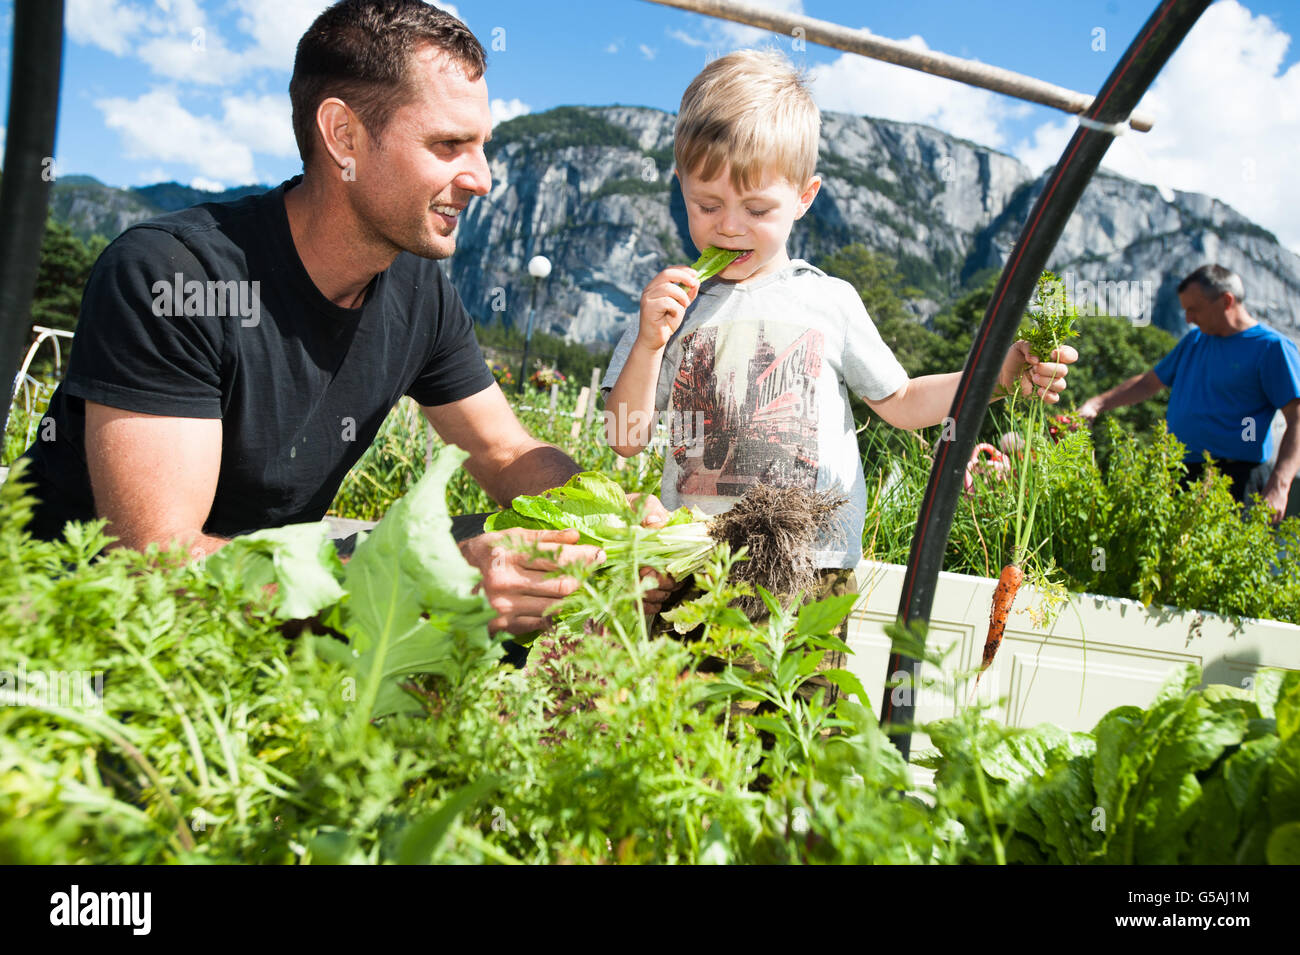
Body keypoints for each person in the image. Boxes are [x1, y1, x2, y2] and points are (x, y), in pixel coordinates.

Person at [18, 0, 670, 636]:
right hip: (89, 620)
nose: (483, 178)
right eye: (449, 145)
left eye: (483, 147)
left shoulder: (419, 292)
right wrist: (413, 579)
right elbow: (157, 569)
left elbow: (505, 451)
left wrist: (607, 510)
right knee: (444, 568)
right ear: (344, 136)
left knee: (516, 552)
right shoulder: (170, 276)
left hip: (285, 583)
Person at [601, 49, 1076, 657]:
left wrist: (999, 374)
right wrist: (647, 344)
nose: (730, 228)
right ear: (682, 190)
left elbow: (902, 402)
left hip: (810, 568)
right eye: (707, 205)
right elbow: (625, 436)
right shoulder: (670, 308)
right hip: (694, 562)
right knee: (686, 736)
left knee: (797, 731)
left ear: (804, 197)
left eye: (758, 209)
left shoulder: (830, 300)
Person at [1078, 264, 1300, 519]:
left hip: (1237, 480)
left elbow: (1297, 418)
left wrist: (1280, 486)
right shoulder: (1195, 341)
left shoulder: (1272, 347)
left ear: (1226, 300)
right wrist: (1096, 404)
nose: (1188, 319)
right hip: (1180, 474)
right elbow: (1148, 383)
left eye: (1194, 309)